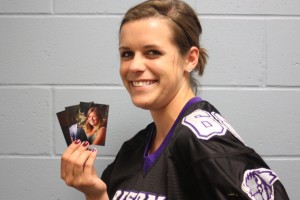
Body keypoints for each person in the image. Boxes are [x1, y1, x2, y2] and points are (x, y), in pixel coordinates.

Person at [61, 0, 289, 199]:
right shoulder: (134, 147)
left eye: (153, 52)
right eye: (127, 53)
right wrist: (95, 193)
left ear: (190, 59)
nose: (135, 66)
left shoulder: (205, 144)